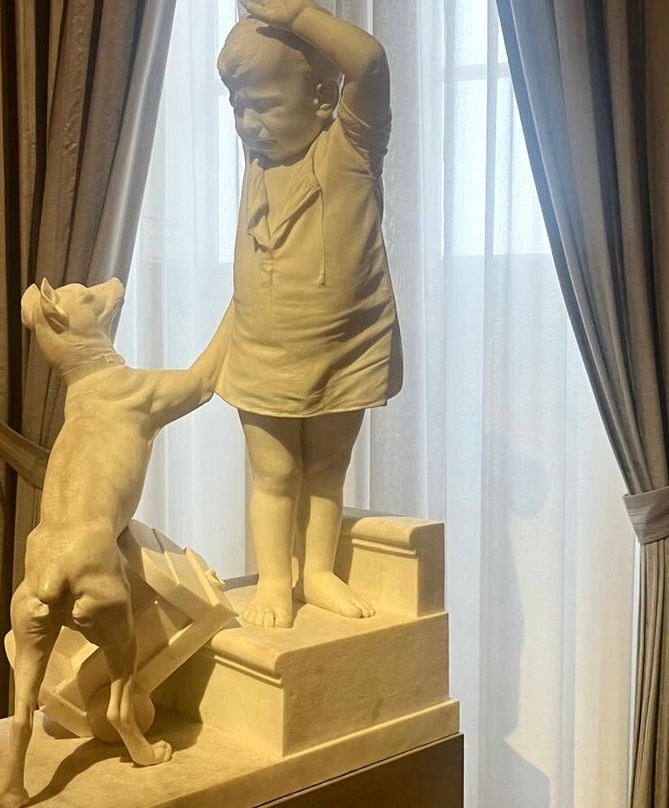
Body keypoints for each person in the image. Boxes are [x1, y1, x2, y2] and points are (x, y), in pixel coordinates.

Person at [215, 0, 402, 628]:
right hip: (262, 348)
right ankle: (276, 579)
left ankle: (317, 571)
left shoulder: (351, 147)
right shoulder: (260, 160)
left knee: (327, 469)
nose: (248, 124)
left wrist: (295, 14)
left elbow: (368, 63)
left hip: (345, 346)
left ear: (323, 97)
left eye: (264, 106)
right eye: (238, 108)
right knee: (273, 473)